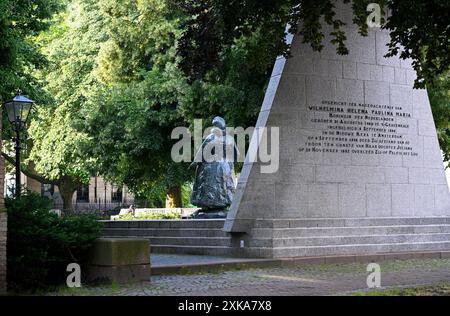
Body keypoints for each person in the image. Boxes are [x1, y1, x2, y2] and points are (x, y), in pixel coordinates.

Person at [190, 116, 239, 218]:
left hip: (211, 167)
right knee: (223, 186)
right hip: (225, 167)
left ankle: (210, 204)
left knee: (210, 186)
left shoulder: (211, 137)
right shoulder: (229, 139)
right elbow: (236, 154)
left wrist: (195, 162)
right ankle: (222, 203)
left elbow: (202, 152)